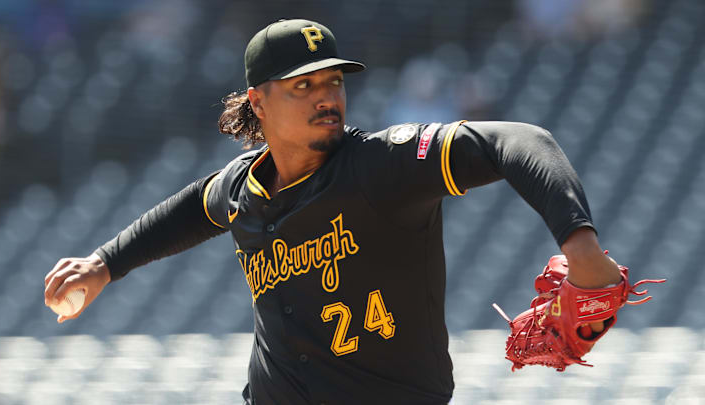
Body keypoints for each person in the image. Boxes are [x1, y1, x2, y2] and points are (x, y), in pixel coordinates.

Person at [44, 18, 621, 405]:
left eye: (335, 81)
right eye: (303, 85)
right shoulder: (243, 188)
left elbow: (521, 140)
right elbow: (190, 209)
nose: (327, 95)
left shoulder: (382, 166)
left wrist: (581, 247)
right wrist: (104, 264)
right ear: (257, 101)